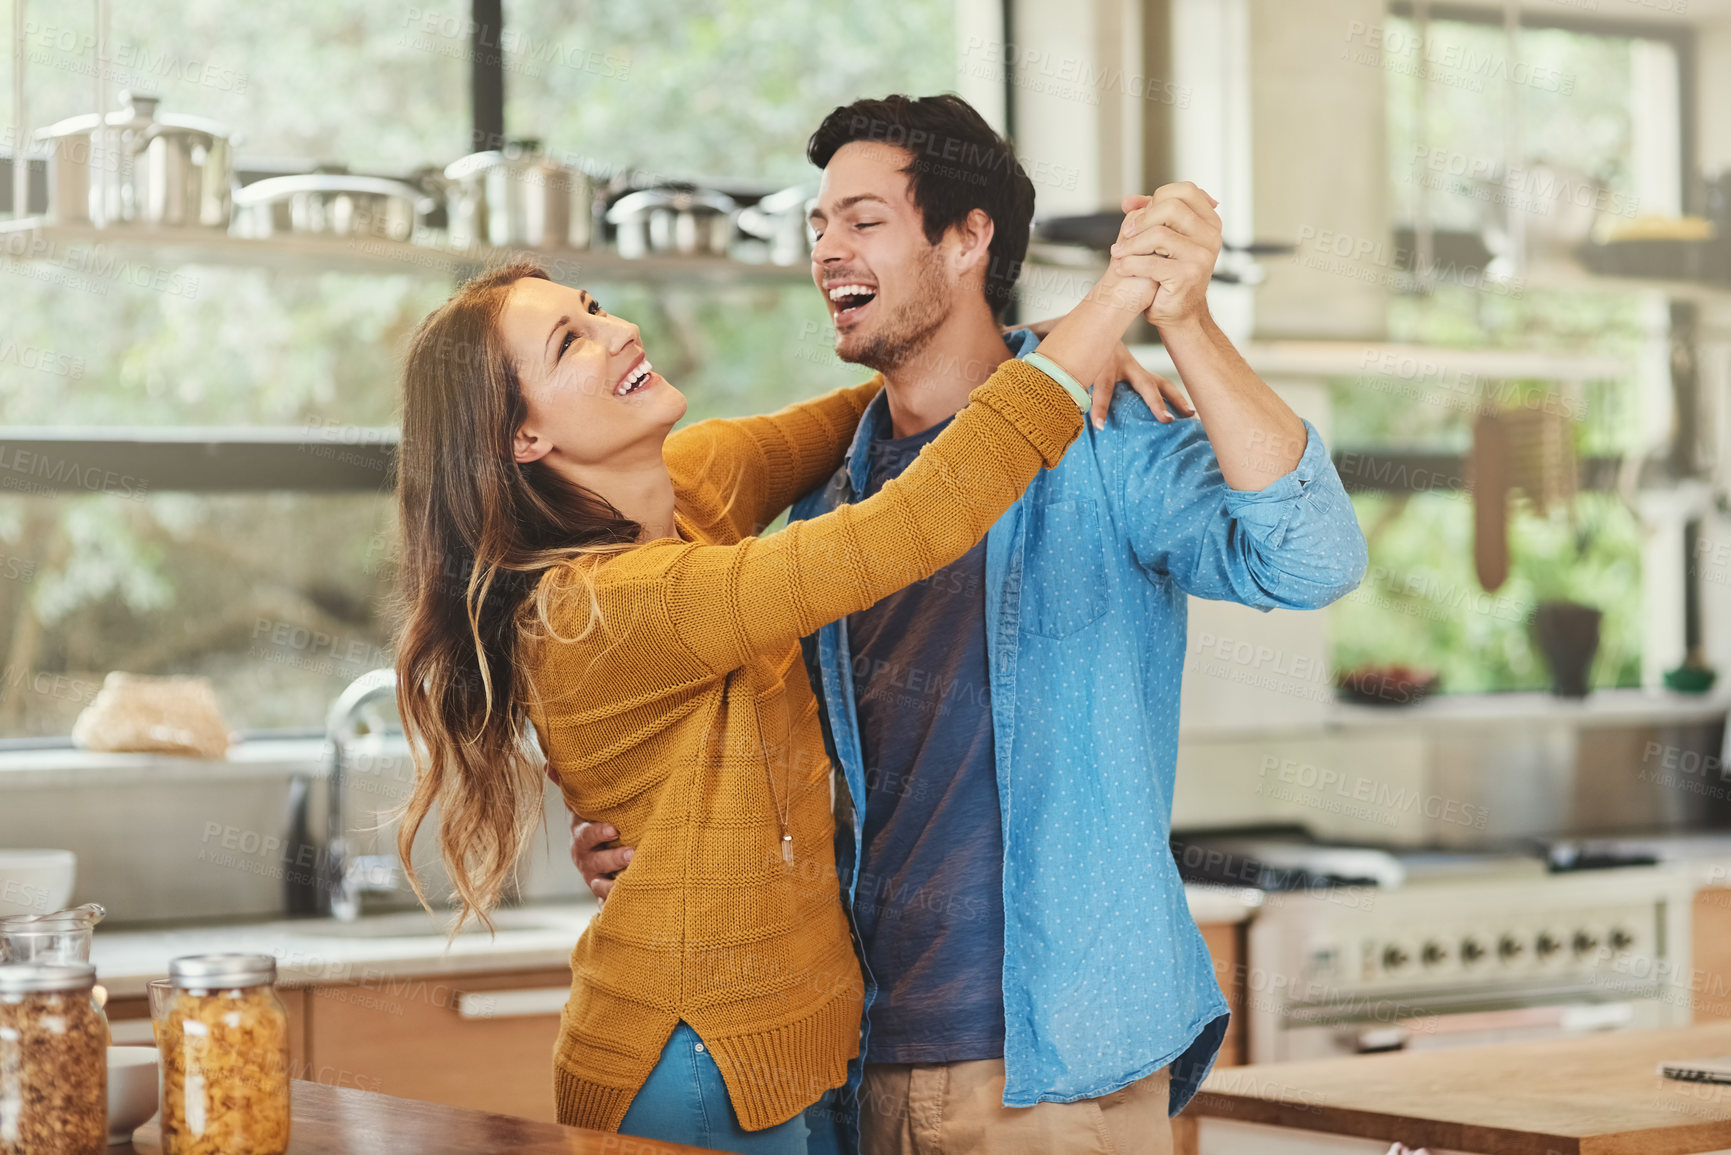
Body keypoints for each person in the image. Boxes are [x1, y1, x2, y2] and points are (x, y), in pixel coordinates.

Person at [571, 94, 1370, 1155]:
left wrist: (1183, 319)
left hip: (1048, 1074)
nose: (826, 250)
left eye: (862, 220)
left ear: (967, 238)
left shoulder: (1106, 438)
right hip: (850, 1060)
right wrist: (661, 836)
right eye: (818, 226)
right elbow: (777, 754)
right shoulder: (832, 495)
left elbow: (1313, 557)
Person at [389, 200, 1172, 1154]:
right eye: (570, 342)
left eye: (593, 307)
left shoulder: (686, 490)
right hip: (691, 1060)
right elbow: (906, 526)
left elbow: (866, 411)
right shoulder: (605, 603)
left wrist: (1017, 345)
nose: (617, 330)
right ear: (522, 439)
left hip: (802, 1048)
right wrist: (1108, 307)